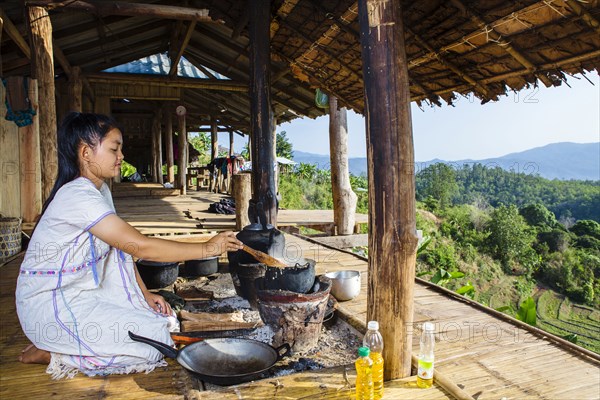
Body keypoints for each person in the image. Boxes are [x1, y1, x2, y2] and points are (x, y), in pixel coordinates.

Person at [15, 112, 243, 379]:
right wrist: (207, 249)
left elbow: (119, 250)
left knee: (164, 322)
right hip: (50, 308)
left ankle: (68, 344)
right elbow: (139, 246)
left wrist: (144, 294)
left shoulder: (100, 192)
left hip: (80, 296)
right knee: (153, 346)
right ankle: (54, 353)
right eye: (114, 149)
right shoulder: (76, 195)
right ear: (86, 153)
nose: (121, 156)